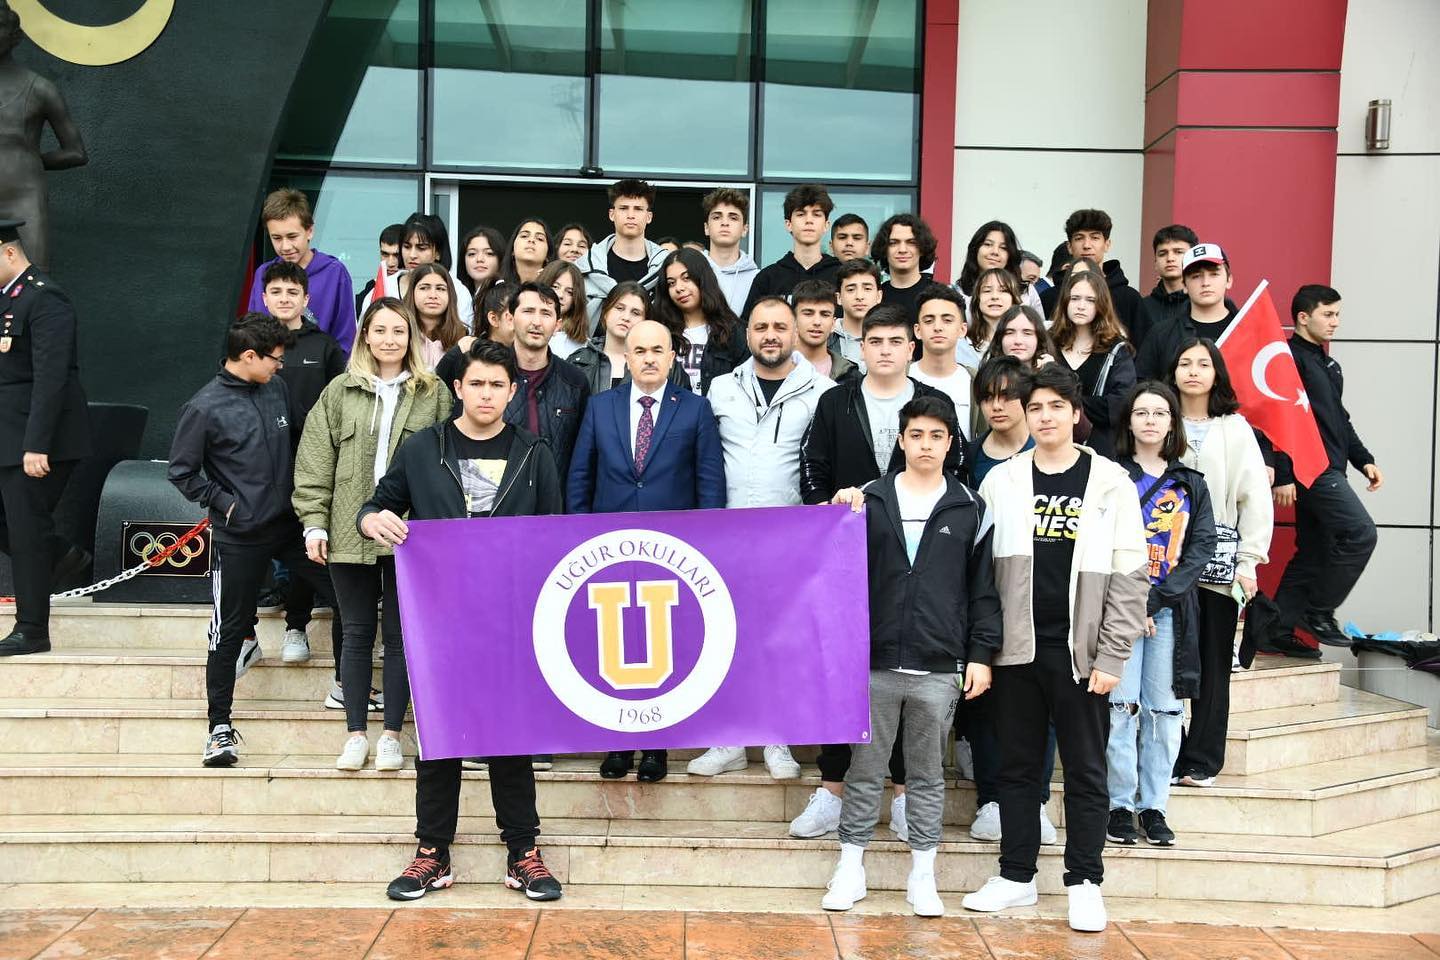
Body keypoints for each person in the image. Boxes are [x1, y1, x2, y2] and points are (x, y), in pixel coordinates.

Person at [358, 339, 564, 903]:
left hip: (511, 619)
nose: (487, 394)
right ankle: (433, 852)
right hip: (440, 617)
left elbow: (554, 536)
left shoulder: (534, 452)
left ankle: (523, 852)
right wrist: (373, 520)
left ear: (513, 391)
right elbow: (376, 504)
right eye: (477, 383)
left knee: (510, 737)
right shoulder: (424, 448)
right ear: (458, 388)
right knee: (440, 736)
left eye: (498, 385)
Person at [962, 363, 1148, 933]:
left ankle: (1084, 882)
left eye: (1055, 407)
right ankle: (1016, 876)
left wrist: (1112, 655)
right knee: (1017, 769)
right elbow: (982, 577)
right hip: (1017, 651)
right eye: (1035, 407)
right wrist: (984, 651)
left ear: (1075, 414)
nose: (1045, 417)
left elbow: (1131, 577)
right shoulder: (1002, 482)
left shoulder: (1111, 482)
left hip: (1081, 655)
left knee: (1086, 772)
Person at [821, 395, 1002, 917]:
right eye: (916, 435)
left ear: (950, 443)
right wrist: (838, 509)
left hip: (939, 665)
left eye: (936, 436)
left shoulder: (971, 507)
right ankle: (850, 867)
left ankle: (922, 874)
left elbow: (983, 590)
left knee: (926, 774)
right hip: (874, 661)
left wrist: (980, 654)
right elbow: (834, 573)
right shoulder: (868, 500)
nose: (926, 445)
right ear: (901, 441)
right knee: (864, 769)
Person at [794, 304, 964, 839]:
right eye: (875, 341)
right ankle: (833, 787)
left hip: (914, 560)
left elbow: (955, 465)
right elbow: (812, 469)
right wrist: (832, 516)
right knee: (844, 673)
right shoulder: (836, 400)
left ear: (912, 347)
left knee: (904, 677)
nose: (885, 350)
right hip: (848, 561)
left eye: (895, 341)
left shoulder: (931, 405)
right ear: (860, 347)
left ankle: (905, 794)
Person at [168, 313, 339, 766]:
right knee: (228, 630)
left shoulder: (275, 389)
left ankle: (349, 688)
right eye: (275, 359)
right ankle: (218, 730)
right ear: (248, 356)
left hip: (290, 527)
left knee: (346, 592)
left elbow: (306, 435)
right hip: (239, 536)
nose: (280, 366)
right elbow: (182, 472)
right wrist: (226, 504)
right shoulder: (203, 407)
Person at [293, 298, 452, 772]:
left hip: (410, 532)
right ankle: (356, 734)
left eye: (398, 331)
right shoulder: (340, 391)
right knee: (357, 632)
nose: (389, 339)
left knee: (401, 637)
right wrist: (314, 522)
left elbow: (447, 463)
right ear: (365, 335)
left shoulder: (433, 392)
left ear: (411, 338)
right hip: (349, 526)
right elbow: (315, 461)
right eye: (379, 330)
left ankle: (392, 736)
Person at [567, 319, 726, 784]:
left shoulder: (695, 409)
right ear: (627, 357)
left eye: (658, 350)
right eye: (640, 351)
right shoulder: (600, 407)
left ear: (672, 356)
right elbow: (581, 476)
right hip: (609, 551)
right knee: (615, 645)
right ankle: (617, 743)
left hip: (673, 553)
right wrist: (578, 537)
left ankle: (657, 746)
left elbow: (709, 483)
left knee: (663, 647)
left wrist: (705, 543)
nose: (650, 358)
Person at [691, 297, 835, 782]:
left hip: (790, 535)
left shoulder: (823, 391)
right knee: (726, 636)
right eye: (760, 327)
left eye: (779, 326)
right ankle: (728, 740)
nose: (770, 335)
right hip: (728, 532)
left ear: (794, 332)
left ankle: (777, 738)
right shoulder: (720, 387)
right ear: (747, 333)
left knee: (781, 640)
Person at [1106, 382, 1217, 848]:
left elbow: (1201, 548)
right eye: (1141, 412)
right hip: (1118, 609)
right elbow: (1100, 541)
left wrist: (1155, 601)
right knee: (1120, 708)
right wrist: (1134, 602)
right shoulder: (1111, 476)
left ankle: (1154, 806)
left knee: (1164, 711)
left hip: (1171, 612)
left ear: (1172, 422)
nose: (1150, 420)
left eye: (1159, 413)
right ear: (1128, 421)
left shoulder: (1191, 482)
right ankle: (1118, 805)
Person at [1164, 338, 1274, 782]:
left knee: (1212, 664)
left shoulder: (1235, 428)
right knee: (1163, 662)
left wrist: (1248, 562)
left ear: (1217, 374)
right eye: (1184, 362)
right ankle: (1166, 752)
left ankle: (1203, 758)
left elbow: (1255, 497)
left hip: (1217, 565)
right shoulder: (1158, 418)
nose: (1193, 371)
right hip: (1162, 561)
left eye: (1203, 364)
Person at [957, 357, 1051, 846]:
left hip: (1039, 591)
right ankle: (991, 798)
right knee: (986, 696)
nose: (997, 406)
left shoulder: (1048, 451)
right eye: (988, 397)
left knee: (1040, 700)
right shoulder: (970, 456)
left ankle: (1037, 801)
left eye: (1007, 396)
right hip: (980, 589)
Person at [1270, 285, 1382, 650]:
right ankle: (1318, 611)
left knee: (1314, 554)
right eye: (1328, 314)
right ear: (1303, 318)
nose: (1335, 322)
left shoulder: (1329, 365)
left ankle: (1274, 632)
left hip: (1330, 467)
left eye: (1338, 315)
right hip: (1311, 470)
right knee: (1361, 533)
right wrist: (1283, 473)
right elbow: (1279, 419)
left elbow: (1340, 421)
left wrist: (1364, 459)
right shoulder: (1288, 359)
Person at [0, 219, 91, 657]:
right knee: (26, 533)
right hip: (7, 436)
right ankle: (60, 557)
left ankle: (32, 629)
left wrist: (36, 444)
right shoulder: (6, 299)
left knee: (26, 530)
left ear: (9, 252)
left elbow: (51, 378)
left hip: (37, 441)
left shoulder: (44, 297)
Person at [259, 260, 347, 675]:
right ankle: (247, 635)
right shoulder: (250, 344)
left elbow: (340, 403)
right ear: (264, 298)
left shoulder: (324, 347)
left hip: (313, 464)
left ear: (306, 298)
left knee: (304, 545)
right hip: (262, 466)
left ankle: (296, 626)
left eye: (292, 292)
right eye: (276, 292)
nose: (284, 299)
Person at [438, 282, 588, 483]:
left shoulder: (574, 382)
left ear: (558, 324)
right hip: (494, 495)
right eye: (528, 311)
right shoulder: (486, 375)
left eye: (546, 313)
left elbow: (583, 458)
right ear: (510, 318)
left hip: (554, 497)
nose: (536, 322)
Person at [245, 189, 356, 353]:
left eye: (292, 236)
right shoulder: (263, 273)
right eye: (277, 238)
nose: (285, 246)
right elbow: (252, 333)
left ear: (309, 231)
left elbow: (345, 339)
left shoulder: (334, 273)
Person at [1049, 262, 1136, 457]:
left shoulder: (1116, 349)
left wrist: (1067, 400)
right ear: (1065, 302)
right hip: (1050, 446)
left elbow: (1119, 405)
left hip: (1099, 451)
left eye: (1090, 300)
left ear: (1101, 305)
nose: (1081, 306)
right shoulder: (1048, 344)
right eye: (1075, 298)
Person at [1037, 209, 1143, 342]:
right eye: (1079, 238)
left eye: (1095, 238)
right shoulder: (1049, 297)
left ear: (1107, 244)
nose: (1087, 245)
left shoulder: (1129, 298)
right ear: (1069, 247)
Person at [652, 248, 746, 395]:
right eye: (671, 283)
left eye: (686, 278)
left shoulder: (733, 330)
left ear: (703, 279)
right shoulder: (659, 331)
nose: (679, 288)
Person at [568, 281, 687, 396]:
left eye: (635, 313)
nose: (626, 317)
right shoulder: (579, 361)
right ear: (605, 312)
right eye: (619, 308)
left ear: (645, 320)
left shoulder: (665, 365)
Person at [1136, 243, 1235, 380]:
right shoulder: (1161, 334)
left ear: (1229, 280)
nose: (1205, 282)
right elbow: (1144, 384)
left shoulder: (1249, 329)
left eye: (1214, 274)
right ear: (1184, 285)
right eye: (1196, 276)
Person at [741, 184, 840, 317]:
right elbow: (749, 324)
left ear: (826, 225)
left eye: (816, 214)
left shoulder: (841, 276)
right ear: (788, 224)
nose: (809, 220)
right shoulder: (768, 278)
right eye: (801, 214)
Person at [578, 179, 669, 323]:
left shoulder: (666, 267)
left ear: (649, 217)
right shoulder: (586, 267)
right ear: (611, 214)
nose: (630, 215)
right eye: (623, 208)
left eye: (638, 209)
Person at [909, 283, 975, 430]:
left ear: (962, 329)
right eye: (929, 321)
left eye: (947, 320)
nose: (937, 327)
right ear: (917, 330)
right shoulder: (901, 376)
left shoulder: (975, 381)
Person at [955, 221, 1043, 315]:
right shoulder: (958, 291)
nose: (995, 252)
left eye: (1003, 248)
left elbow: (1039, 323)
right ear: (975, 249)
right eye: (988, 244)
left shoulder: (1027, 292)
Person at [1135, 225, 1199, 350]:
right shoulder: (1142, 307)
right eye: (1163, 253)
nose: (1170, 258)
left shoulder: (1203, 305)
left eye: (1178, 252)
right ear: (1155, 262)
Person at [701, 187, 759, 316]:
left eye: (733, 218)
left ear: (745, 229)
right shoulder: (691, 272)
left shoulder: (758, 279)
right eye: (717, 217)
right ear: (706, 228)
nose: (725, 223)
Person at [872, 213, 936, 322]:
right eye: (894, 243)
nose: (902, 250)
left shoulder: (939, 295)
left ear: (922, 248)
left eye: (911, 242)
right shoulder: (874, 296)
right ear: (884, 249)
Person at [403, 263, 467, 371]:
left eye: (440, 289)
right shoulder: (400, 334)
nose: (433, 295)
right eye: (424, 288)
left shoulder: (463, 337)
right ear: (412, 292)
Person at [791, 279, 856, 382]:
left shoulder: (851, 376)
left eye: (825, 314)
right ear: (793, 320)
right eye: (808, 314)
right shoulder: (773, 368)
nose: (817, 322)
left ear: (833, 324)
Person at [961, 267, 1021, 368]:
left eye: (1003, 290)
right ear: (977, 299)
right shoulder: (963, 344)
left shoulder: (1022, 344)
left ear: (1014, 299)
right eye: (987, 291)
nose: (995, 297)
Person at [831, 258, 882, 364]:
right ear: (838, 297)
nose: (859, 296)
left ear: (879, 296)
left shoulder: (891, 338)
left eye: (867, 289)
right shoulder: (825, 337)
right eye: (851, 290)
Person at [539, 259, 589, 359]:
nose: (560, 295)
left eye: (569, 292)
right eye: (555, 287)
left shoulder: (583, 346)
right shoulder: (519, 325)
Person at [354, 223, 404, 317]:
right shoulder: (370, 290)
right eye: (385, 254)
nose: (390, 263)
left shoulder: (418, 290)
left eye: (397, 255)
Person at [499, 217, 553, 286]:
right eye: (524, 236)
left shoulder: (556, 291)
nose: (531, 240)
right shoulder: (497, 289)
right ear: (512, 250)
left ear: (548, 255)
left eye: (540, 239)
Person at [458, 225, 504, 301]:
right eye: (472, 254)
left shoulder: (509, 297)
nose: (479, 259)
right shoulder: (458, 296)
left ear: (500, 259)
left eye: (489, 253)